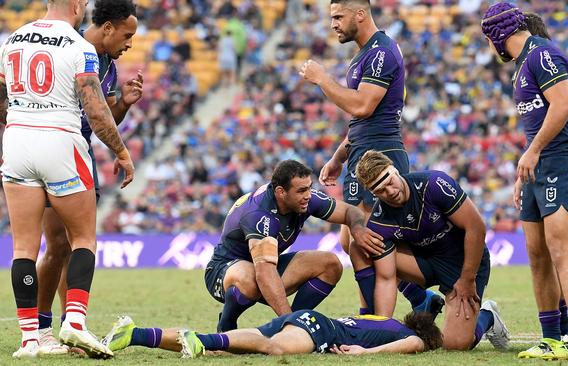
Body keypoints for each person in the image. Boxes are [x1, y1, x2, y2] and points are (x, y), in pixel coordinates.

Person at [0, 0, 134, 359]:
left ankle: (30, 339)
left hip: (17, 140)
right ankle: (74, 321)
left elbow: (1, 100)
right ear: (76, 4)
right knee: (84, 239)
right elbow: (94, 107)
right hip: (60, 141)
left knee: (24, 248)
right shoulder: (80, 47)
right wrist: (121, 152)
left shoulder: (13, 38)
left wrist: (18, 125)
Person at [299, 0, 440, 317]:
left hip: (381, 154)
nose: (333, 23)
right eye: (331, 17)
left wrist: (323, 79)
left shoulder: (381, 52)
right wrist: (338, 157)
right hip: (362, 150)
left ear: (359, 14)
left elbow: (362, 106)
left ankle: (373, 317)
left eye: (338, 17)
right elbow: (361, 120)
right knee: (354, 237)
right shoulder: (365, 54)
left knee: (363, 239)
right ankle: (419, 300)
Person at [482, 2, 568, 359]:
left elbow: (563, 106)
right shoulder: (521, 65)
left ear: (498, 34)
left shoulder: (542, 54)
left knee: (563, 251)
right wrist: (523, 168)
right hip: (536, 168)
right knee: (537, 256)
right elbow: (538, 121)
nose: (489, 48)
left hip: (561, 163)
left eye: (488, 39)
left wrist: (533, 153)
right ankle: (551, 336)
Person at [34, 0, 142, 355]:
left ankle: (71, 326)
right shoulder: (72, 47)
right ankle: (40, 328)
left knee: (73, 243)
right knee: (59, 244)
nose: (130, 43)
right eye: (127, 35)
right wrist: (123, 153)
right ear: (107, 27)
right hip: (54, 148)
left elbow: (102, 119)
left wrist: (122, 104)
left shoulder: (108, 63)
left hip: (79, 152)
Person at [349, 150, 508, 351]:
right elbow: (386, 278)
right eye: (380, 190)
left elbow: (476, 227)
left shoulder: (434, 184)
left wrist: (468, 278)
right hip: (423, 262)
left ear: (395, 170)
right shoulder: (380, 221)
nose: (389, 191)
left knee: (456, 345)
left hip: (461, 263)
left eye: (389, 181)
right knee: (362, 248)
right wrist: (382, 328)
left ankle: (488, 316)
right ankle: (420, 300)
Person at [204, 160, 384, 332]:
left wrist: (358, 228)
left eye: (309, 188)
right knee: (250, 276)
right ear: (281, 192)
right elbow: (264, 273)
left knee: (330, 263)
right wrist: (288, 321)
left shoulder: (306, 199)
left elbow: (349, 211)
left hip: (264, 267)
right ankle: (226, 325)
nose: (308, 195)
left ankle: (292, 324)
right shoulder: (259, 214)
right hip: (223, 272)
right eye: (301, 190)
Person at [101, 310, 442, 356]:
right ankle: (201, 342)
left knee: (229, 348)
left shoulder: (383, 319)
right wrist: (365, 354)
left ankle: (136, 334)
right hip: (318, 328)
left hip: (307, 318)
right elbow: (413, 343)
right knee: (272, 350)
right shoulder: (403, 333)